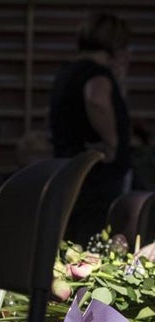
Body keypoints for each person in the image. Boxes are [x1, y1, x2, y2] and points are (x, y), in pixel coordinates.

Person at [49, 12, 132, 244]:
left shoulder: (67, 73)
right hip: (97, 179)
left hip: (70, 170)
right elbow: (96, 99)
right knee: (94, 239)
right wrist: (112, 142)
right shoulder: (96, 74)